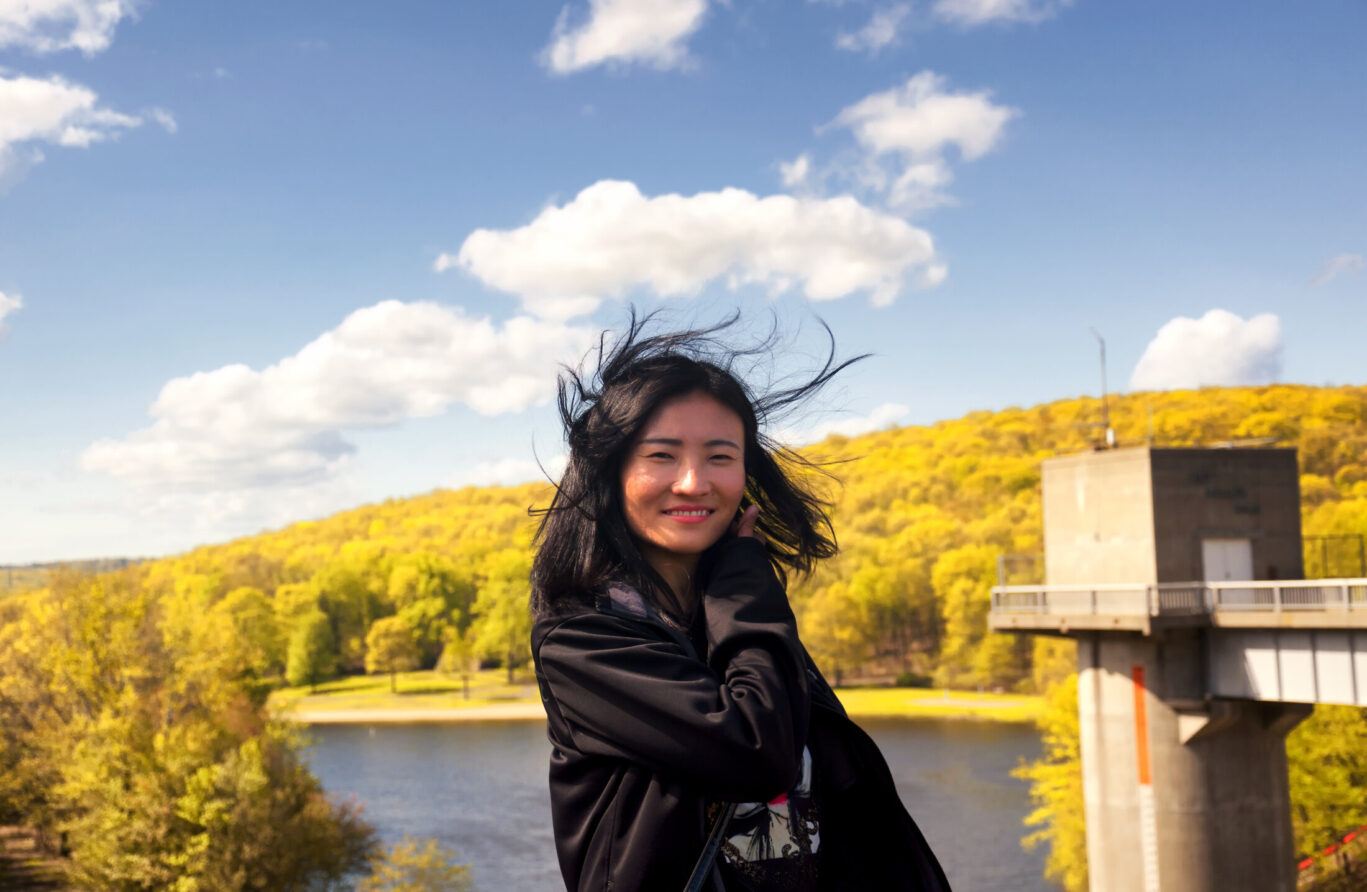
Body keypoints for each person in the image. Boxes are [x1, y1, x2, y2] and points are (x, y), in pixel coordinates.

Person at [530, 315, 951, 892]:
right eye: (661, 455)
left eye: (721, 457)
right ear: (612, 471)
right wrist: (746, 585)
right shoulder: (583, 638)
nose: (693, 481)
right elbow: (759, 752)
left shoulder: (726, 612)